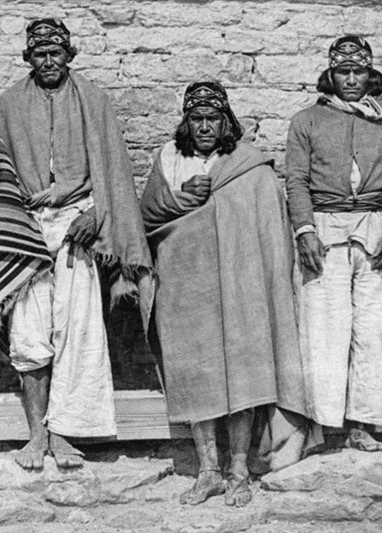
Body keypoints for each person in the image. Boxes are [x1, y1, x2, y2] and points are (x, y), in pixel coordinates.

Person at [0, 19, 154, 470]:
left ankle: (64, 432)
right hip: (26, 226)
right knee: (28, 330)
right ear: (29, 58)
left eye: (56, 53)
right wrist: (17, 224)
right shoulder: (9, 103)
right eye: (40, 54)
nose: (49, 61)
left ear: (70, 54)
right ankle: (35, 435)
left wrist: (95, 215)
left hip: (78, 226)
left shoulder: (93, 99)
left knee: (77, 329)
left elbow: (112, 169)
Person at [141, 81, 308, 506]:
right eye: (195, 119)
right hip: (185, 283)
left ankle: (238, 470)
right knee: (196, 373)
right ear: (186, 122)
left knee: (243, 371)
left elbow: (270, 227)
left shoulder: (249, 164)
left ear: (226, 121)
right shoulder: (168, 158)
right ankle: (208, 471)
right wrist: (179, 200)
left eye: (212, 118)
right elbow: (144, 214)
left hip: (240, 282)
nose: (203, 127)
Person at [286, 36, 382, 451]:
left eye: (358, 71)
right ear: (330, 74)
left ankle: (363, 425)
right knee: (325, 329)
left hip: (376, 228)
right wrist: (305, 230)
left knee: (372, 330)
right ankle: (323, 428)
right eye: (343, 72)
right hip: (325, 228)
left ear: (370, 73)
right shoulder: (306, 120)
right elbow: (296, 181)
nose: (351, 80)